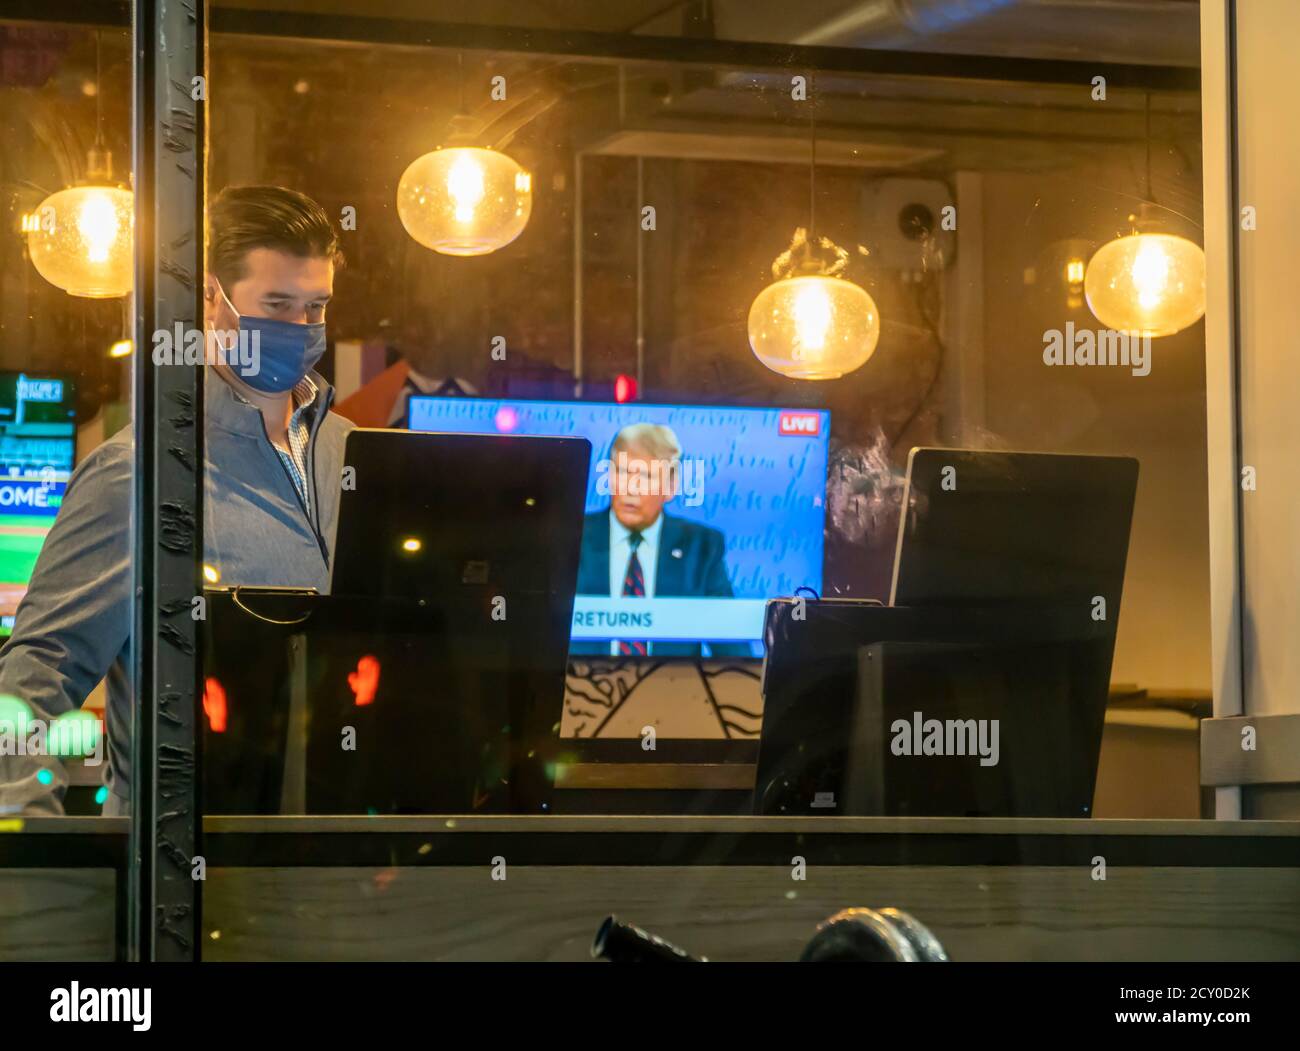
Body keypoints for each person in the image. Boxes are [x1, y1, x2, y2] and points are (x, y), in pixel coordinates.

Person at [0, 185, 354, 817]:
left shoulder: (352, 455)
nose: (301, 329)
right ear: (209, 296)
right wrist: (40, 856)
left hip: (352, 873)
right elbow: (38, 671)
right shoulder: (140, 473)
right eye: (277, 305)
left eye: (316, 306)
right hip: (188, 887)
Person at [574, 422, 747, 659]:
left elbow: (734, 653)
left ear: (671, 487)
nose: (630, 489)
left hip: (673, 692)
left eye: (645, 477)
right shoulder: (573, 536)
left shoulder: (702, 547)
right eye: (623, 473)